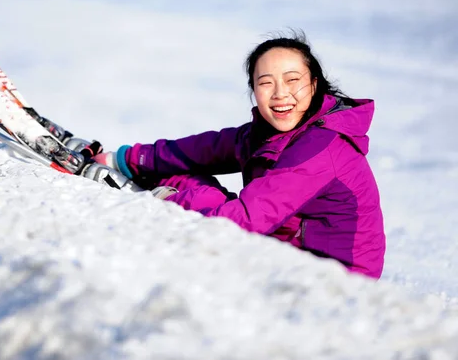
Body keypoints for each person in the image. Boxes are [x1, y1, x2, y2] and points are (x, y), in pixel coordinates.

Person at [94, 32, 385, 279]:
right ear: (254, 90)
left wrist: (169, 203)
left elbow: (244, 220)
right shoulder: (271, 133)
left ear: (314, 84)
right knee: (185, 172)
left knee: (204, 197)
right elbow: (201, 151)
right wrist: (127, 159)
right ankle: (143, 179)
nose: (280, 94)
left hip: (335, 278)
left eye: (292, 80)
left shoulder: (321, 147)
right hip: (290, 248)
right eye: (266, 82)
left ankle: (156, 192)